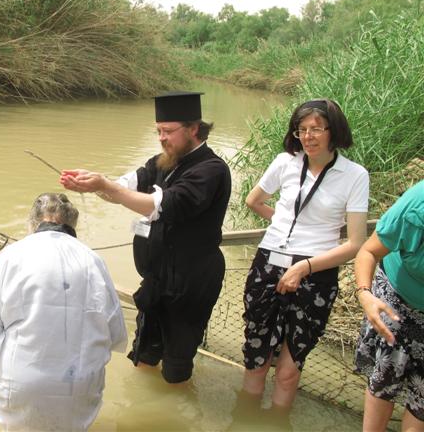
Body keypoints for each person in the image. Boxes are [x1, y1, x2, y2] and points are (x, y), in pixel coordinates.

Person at [60, 91, 231, 384]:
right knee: (145, 349)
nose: (162, 138)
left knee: (176, 360)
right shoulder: (164, 161)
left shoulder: (211, 170)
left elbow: (162, 206)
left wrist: (107, 187)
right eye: (158, 131)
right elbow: (128, 186)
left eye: (168, 131)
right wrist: (94, 184)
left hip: (191, 281)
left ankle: (176, 402)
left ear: (193, 129)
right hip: (158, 278)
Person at [238, 98, 369, 421]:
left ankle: (276, 424)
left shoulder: (354, 175)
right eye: (302, 130)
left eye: (316, 129)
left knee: (288, 368)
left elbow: (355, 243)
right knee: (256, 358)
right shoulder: (285, 161)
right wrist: (282, 223)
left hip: (315, 273)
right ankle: (242, 421)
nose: (308, 137)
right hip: (268, 264)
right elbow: (253, 200)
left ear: (333, 131)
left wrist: (304, 264)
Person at [0, 193, 127, 431]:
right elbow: (116, 333)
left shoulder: (13, 255)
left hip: (22, 382)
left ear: (32, 223)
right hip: (80, 383)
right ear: (72, 223)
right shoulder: (92, 259)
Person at [354, 180, 423, 432]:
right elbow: (368, 251)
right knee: (383, 383)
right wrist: (365, 294)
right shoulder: (417, 204)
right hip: (395, 305)